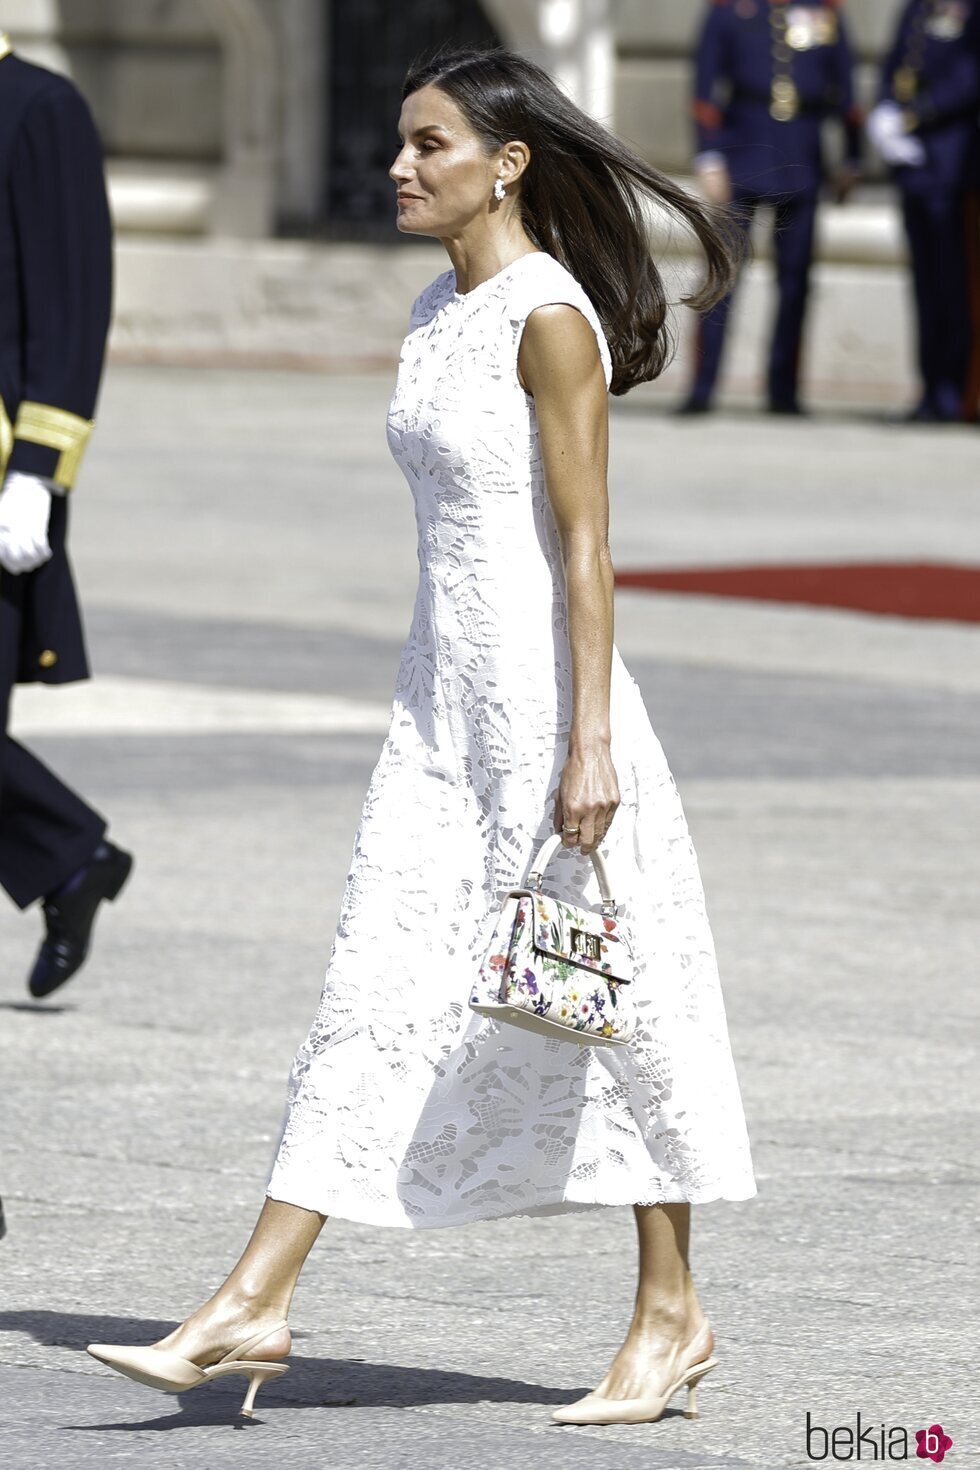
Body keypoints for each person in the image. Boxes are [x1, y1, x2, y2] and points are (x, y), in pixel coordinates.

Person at [87, 46, 757, 1428]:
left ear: (507, 163)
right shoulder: (432, 305)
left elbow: (587, 550)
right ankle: (255, 1296)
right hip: (438, 705)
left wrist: (588, 745)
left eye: (430, 143)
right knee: (374, 982)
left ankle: (671, 1312)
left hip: (549, 711)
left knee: (604, 1001)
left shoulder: (548, 317)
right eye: (401, 142)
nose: (401, 165)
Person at [0, 32, 133, 1005]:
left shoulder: (40, 109)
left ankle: (69, 855)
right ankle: (70, 856)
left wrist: (38, 475)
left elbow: (68, 310)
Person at [679, 0, 862, 415]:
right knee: (721, 277)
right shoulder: (730, 10)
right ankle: (702, 388)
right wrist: (708, 157)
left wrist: (851, 157)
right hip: (740, 152)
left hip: (802, 158)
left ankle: (784, 390)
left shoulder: (826, 12)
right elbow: (706, 85)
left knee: (796, 281)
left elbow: (845, 89)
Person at [868, 0, 980, 423]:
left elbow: (969, 78)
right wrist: (883, 112)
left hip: (953, 169)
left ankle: (958, 391)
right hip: (914, 169)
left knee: (956, 287)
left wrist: (914, 117)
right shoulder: (917, 8)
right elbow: (894, 63)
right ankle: (931, 388)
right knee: (926, 288)